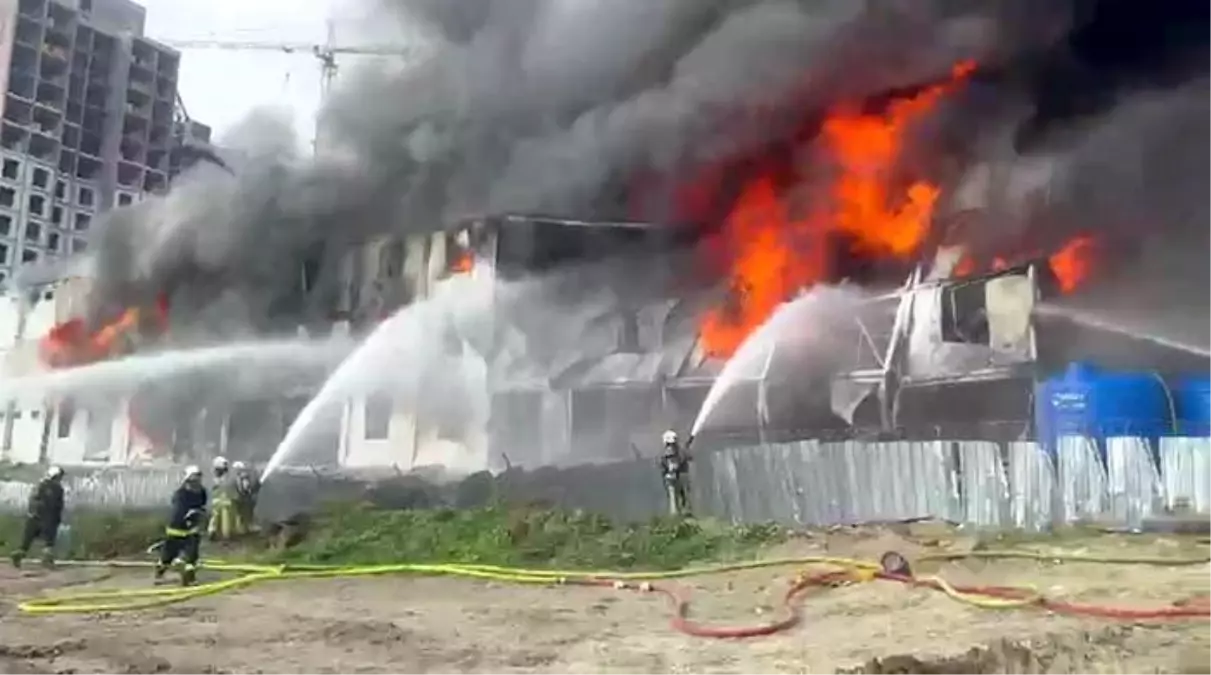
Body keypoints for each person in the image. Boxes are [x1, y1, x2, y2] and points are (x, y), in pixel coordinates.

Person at [155, 465, 208, 586]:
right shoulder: (180, 495)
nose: (197, 482)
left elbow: (201, 507)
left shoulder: (202, 492)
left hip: (192, 530)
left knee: (191, 556)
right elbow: (178, 514)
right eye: (194, 479)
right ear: (188, 480)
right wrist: (189, 517)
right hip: (176, 529)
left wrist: (199, 517)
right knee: (168, 555)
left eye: (198, 479)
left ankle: (189, 577)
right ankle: (159, 573)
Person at [10, 466, 66, 569]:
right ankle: (46, 561)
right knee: (48, 542)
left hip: (33, 518)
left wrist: (32, 513)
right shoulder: (57, 488)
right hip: (48, 519)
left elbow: (32, 501)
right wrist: (57, 519)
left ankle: (18, 555)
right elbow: (58, 506)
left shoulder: (39, 485)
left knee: (25, 544)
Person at [207, 456, 245, 540]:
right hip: (227, 503)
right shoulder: (230, 478)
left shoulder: (215, 479)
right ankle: (226, 534)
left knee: (215, 519)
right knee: (227, 519)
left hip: (218, 503)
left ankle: (213, 531)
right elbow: (238, 489)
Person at [659, 430, 692, 517]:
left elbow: (663, 465)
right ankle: (680, 516)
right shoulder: (675, 451)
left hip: (671, 477)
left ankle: (678, 515)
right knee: (681, 497)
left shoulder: (666, 452)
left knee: (675, 499)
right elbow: (682, 461)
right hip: (677, 476)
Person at [232, 461, 260, 533]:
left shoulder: (242, 477)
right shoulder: (241, 477)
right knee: (244, 514)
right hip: (242, 498)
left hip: (243, 498)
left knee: (245, 513)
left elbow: (245, 487)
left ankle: (246, 527)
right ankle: (245, 527)